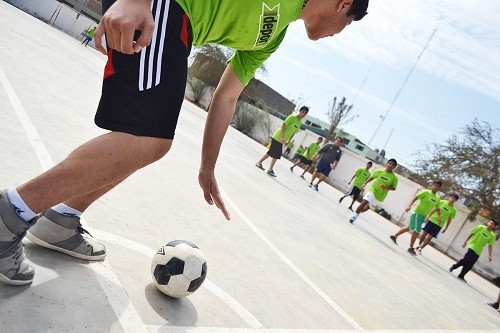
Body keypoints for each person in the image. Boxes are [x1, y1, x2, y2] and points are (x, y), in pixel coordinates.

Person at [0, 0, 369, 286]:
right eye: (349, 22)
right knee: (150, 136)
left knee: (151, 139)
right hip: (161, 8)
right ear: (343, 3)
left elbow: (226, 98)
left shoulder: (272, 36)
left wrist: (208, 166)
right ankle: (11, 214)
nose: (341, 31)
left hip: (176, 28)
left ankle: (62, 219)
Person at [389, 181, 442, 255]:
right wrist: (409, 206)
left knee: (410, 227)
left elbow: (438, 208)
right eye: (435, 185)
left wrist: (440, 217)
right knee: (417, 231)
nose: (436, 187)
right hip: (417, 213)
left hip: (423, 215)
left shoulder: (438, 198)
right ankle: (411, 248)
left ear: (439, 188)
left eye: (438, 186)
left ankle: (394, 236)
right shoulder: (426, 192)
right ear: (432, 186)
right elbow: (415, 198)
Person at [255, 106, 309, 177]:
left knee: (271, 152)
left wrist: (288, 141)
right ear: (300, 111)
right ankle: (270, 169)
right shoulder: (292, 117)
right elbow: (283, 125)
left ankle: (259, 163)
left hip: (282, 140)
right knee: (277, 154)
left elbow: (293, 133)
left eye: (305, 113)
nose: (303, 114)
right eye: (303, 112)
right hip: (278, 137)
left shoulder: (299, 123)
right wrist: (282, 137)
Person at [349, 159, 398, 223]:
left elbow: (394, 188)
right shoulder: (379, 171)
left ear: (394, 167)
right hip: (373, 189)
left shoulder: (394, 177)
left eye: (393, 165)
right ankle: (354, 216)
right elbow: (372, 177)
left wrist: (385, 187)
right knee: (365, 201)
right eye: (390, 163)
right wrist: (364, 184)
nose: (391, 165)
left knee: (366, 208)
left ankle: (358, 212)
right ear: (387, 164)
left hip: (380, 195)